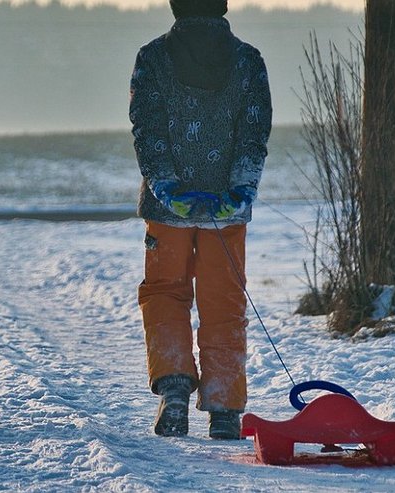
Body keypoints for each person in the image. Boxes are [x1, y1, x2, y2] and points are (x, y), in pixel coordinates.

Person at [129, 0, 272, 439]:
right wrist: (240, 190)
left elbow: (146, 130)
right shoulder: (248, 60)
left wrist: (166, 186)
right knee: (223, 304)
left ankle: (174, 391)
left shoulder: (152, 58)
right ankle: (225, 409)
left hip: (167, 210)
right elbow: (255, 132)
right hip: (227, 213)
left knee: (165, 294)